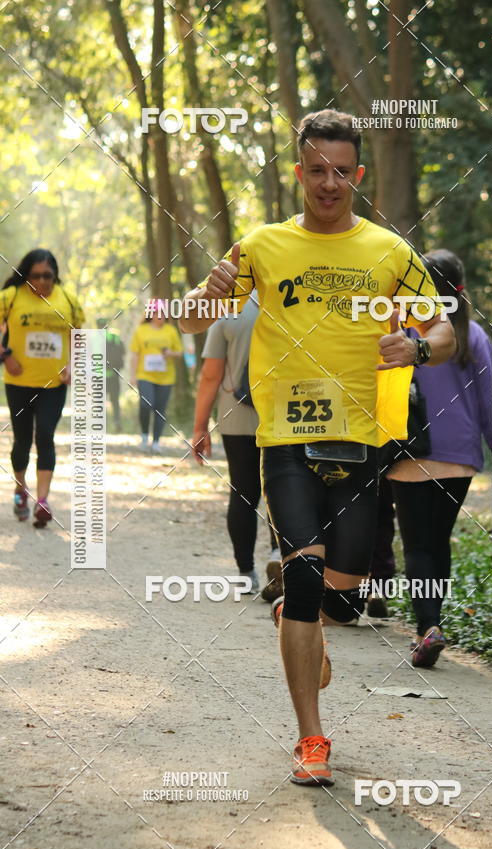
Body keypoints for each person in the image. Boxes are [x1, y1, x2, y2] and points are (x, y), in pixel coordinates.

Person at [181, 110, 455, 786]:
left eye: (341, 171)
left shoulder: (390, 252)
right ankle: (312, 739)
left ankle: (298, 614)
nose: (328, 182)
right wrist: (205, 293)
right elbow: (190, 320)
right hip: (287, 438)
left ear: (357, 176)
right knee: (305, 575)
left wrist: (417, 346)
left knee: (345, 592)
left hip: (363, 439)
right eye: (316, 170)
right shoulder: (264, 247)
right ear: (298, 172)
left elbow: (445, 334)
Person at [387, 248, 492, 667]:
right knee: (438, 540)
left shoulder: (404, 331)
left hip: (410, 448)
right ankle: (434, 623)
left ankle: (426, 627)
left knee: (416, 545)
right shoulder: (473, 335)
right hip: (459, 456)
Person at [191, 292, 280, 594]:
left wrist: (200, 426)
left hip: (237, 415)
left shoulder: (227, 309)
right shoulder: (292, 298)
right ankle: (279, 556)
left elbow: (210, 375)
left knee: (243, 493)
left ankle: (246, 572)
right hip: (288, 417)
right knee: (284, 488)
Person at [0, 248, 84, 526]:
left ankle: (43, 501)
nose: (42, 281)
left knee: (46, 435)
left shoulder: (69, 300)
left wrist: (72, 365)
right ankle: (21, 488)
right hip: (19, 382)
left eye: (48, 276)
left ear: (55, 275)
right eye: (35, 276)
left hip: (53, 385)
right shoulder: (11, 297)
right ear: (26, 276)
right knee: (22, 439)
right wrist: (6, 356)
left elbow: (79, 337)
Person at [129, 303, 183, 453]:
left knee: (160, 409)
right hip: (144, 375)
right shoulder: (141, 330)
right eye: (158, 313)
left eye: (164, 313)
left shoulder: (171, 330)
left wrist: (170, 354)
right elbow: (135, 354)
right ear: (150, 314)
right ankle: (145, 436)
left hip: (166, 377)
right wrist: (133, 375)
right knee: (146, 404)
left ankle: (156, 442)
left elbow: (179, 352)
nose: (161, 316)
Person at [97, 317, 125, 431]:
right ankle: (116, 421)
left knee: (98, 402)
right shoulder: (115, 336)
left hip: (98, 374)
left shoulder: (92, 337)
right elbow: (123, 351)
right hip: (114, 373)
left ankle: (99, 424)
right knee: (115, 400)